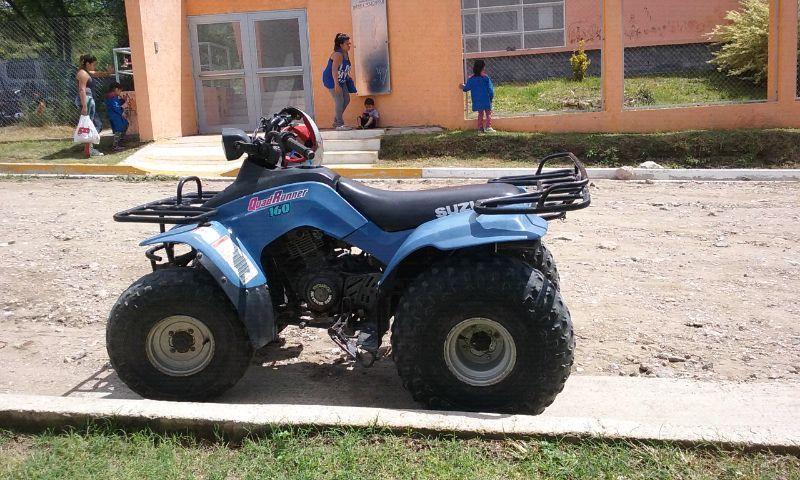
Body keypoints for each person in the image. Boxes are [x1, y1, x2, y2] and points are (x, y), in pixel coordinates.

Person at [75, 54, 109, 156]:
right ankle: (89, 149)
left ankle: (89, 148)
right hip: (87, 100)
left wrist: (108, 73)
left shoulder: (86, 72)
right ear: (87, 63)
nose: (94, 66)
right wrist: (85, 106)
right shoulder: (82, 74)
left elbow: (96, 73)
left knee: (94, 124)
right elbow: (82, 89)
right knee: (94, 125)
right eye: (93, 64)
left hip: (88, 100)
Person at [322, 33, 356, 130]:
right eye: (347, 44)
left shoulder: (346, 54)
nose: (349, 45)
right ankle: (339, 124)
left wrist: (347, 77)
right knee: (339, 100)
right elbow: (334, 70)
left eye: (349, 43)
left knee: (347, 99)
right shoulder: (337, 55)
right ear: (341, 45)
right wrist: (336, 84)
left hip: (342, 79)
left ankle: (336, 121)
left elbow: (343, 68)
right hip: (332, 79)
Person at [460, 59, 495, 133]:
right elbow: (490, 89)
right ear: (483, 68)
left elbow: (466, 88)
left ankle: (480, 128)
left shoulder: (471, 79)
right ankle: (488, 127)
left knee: (480, 114)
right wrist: (491, 97)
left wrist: (462, 86)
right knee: (488, 113)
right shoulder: (486, 78)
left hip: (477, 100)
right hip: (486, 99)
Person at [105, 82, 129, 152]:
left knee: (125, 124)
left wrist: (123, 100)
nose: (120, 92)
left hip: (116, 115)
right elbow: (115, 106)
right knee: (119, 129)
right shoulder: (111, 96)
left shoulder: (113, 96)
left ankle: (120, 142)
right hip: (115, 116)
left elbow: (117, 102)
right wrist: (122, 111)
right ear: (116, 89)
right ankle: (115, 146)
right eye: (120, 90)